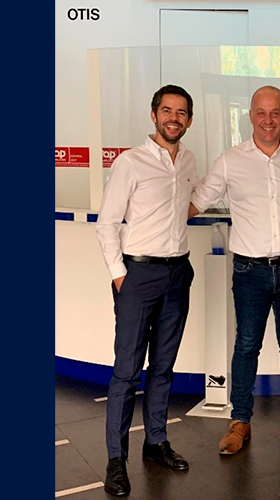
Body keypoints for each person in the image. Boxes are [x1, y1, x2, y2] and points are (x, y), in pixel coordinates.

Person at [189, 86, 280, 455]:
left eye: (275, 113)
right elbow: (196, 202)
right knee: (246, 345)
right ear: (250, 116)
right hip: (249, 271)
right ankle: (239, 421)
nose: (268, 120)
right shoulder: (230, 160)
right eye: (261, 112)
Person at [96, 84, 197, 497]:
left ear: (189, 120)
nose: (174, 118)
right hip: (138, 276)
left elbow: (186, 205)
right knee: (126, 372)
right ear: (154, 115)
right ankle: (115, 460)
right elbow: (107, 223)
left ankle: (155, 442)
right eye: (167, 111)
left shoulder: (188, 160)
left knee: (163, 367)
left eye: (181, 112)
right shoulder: (130, 162)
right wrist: (121, 276)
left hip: (178, 274)